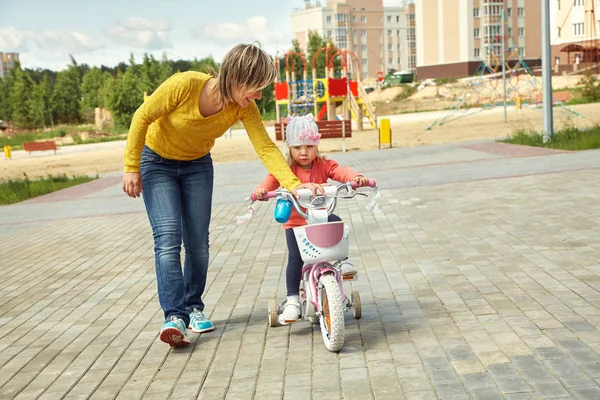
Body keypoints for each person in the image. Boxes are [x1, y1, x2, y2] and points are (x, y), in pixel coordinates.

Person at [122, 43, 324, 347]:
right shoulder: (184, 86)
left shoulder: (244, 108)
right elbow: (142, 117)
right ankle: (173, 316)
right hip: (157, 162)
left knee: (198, 243)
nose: (258, 96)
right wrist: (130, 166)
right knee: (167, 238)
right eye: (256, 89)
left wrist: (294, 185)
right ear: (238, 78)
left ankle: (193, 308)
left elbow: (266, 147)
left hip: (197, 166)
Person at [253, 114, 368, 325]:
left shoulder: (324, 164)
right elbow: (272, 179)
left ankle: (343, 262)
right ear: (290, 149)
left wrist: (355, 177)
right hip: (296, 224)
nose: (304, 152)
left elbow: (340, 171)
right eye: (297, 147)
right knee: (295, 259)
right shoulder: (287, 169)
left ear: (317, 146)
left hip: (320, 218)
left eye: (309, 146)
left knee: (337, 222)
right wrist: (262, 190)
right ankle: (293, 301)